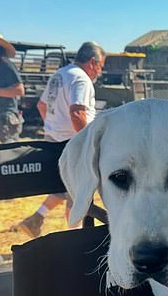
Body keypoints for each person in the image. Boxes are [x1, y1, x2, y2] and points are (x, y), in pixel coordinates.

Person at [17, 40, 106, 237]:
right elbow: (77, 113)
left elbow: (42, 106)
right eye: (100, 67)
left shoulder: (60, 74)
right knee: (78, 190)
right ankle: (74, 236)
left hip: (54, 139)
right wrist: (88, 143)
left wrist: (54, 127)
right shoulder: (81, 79)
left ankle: (37, 219)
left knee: (66, 187)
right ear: (92, 62)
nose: (99, 72)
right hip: (72, 142)